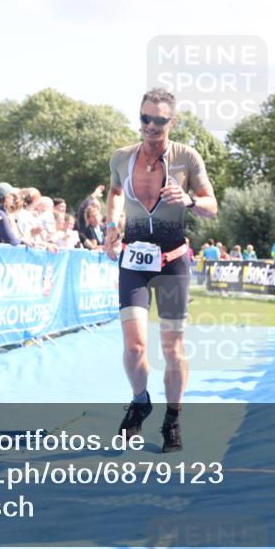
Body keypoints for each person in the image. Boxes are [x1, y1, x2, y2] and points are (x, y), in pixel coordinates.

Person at [105, 87, 218, 453]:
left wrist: (189, 200)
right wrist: (111, 225)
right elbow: (114, 192)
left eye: (159, 120)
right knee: (135, 347)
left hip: (172, 262)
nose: (150, 126)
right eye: (144, 118)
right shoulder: (122, 157)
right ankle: (140, 401)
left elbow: (212, 206)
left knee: (172, 349)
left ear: (172, 122)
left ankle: (173, 418)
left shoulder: (187, 158)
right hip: (133, 260)